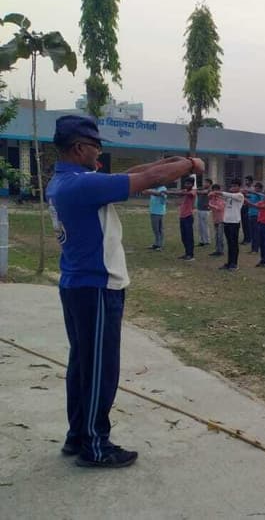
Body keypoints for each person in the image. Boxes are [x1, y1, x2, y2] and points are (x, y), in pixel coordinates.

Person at [46, 114, 205, 467]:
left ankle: (78, 435)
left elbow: (135, 172)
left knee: (83, 365)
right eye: (95, 146)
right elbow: (148, 178)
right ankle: (95, 446)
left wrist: (170, 161)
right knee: (100, 369)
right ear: (79, 148)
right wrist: (192, 164)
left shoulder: (65, 182)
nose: (99, 153)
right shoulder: (83, 186)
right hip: (96, 287)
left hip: (78, 285)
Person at [213, 179, 245, 271]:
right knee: (229, 243)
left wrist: (219, 192)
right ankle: (229, 262)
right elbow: (223, 198)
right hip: (227, 221)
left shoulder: (240, 195)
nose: (233, 188)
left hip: (234, 222)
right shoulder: (229, 196)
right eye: (232, 186)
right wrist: (215, 195)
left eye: (235, 186)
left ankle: (234, 264)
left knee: (234, 244)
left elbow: (227, 194)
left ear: (239, 187)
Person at [166, 178, 197, 261]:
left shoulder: (193, 191)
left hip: (188, 216)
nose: (186, 185)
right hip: (182, 216)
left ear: (192, 184)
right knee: (184, 237)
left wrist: (172, 192)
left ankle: (190, 255)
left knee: (189, 236)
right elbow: (180, 193)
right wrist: (169, 192)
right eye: (186, 183)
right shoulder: (185, 191)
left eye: (188, 184)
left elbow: (188, 194)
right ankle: (187, 253)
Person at [247, 188, 265, 267]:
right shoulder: (262, 201)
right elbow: (255, 205)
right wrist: (247, 202)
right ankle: (263, 260)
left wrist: (248, 202)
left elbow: (260, 207)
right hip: (260, 224)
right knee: (261, 244)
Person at [143, 185, 167, 250]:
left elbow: (159, 194)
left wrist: (150, 191)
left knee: (159, 229)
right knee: (155, 229)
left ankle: (160, 245)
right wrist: (149, 191)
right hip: (153, 211)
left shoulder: (163, 188)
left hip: (158, 212)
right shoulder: (154, 188)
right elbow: (144, 192)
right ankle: (156, 244)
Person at [245, 181, 264, 253]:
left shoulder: (261, 195)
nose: (256, 189)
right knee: (252, 233)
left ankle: (256, 249)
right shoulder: (252, 195)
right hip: (250, 215)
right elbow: (246, 196)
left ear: (260, 189)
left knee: (256, 233)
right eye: (255, 187)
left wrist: (250, 191)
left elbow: (257, 194)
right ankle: (253, 248)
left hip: (257, 215)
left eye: (257, 188)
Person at [207, 183, 225, 257]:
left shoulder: (221, 199)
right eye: (213, 190)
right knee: (216, 236)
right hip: (215, 219)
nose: (214, 192)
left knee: (220, 236)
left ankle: (221, 251)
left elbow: (219, 208)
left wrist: (211, 205)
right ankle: (217, 250)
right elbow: (210, 205)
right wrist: (211, 204)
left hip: (221, 219)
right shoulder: (212, 199)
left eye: (216, 190)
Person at [196, 178, 212, 247]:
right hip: (199, 209)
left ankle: (207, 241)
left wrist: (196, 190)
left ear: (210, 184)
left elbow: (204, 192)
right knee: (200, 226)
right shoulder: (201, 189)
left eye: (206, 183)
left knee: (205, 226)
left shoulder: (209, 190)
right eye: (204, 182)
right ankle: (201, 241)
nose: (205, 184)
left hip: (205, 210)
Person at [240, 175, 253, 244]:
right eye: (245, 180)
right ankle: (245, 238)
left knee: (247, 223)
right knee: (244, 224)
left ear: (250, 181)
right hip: (243, 206)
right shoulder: (244, 188)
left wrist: (245, 194)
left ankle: (249, 239)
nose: (246, 182)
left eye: (247, 180)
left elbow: (251, 196)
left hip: (249, 207)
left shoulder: (252, 189)